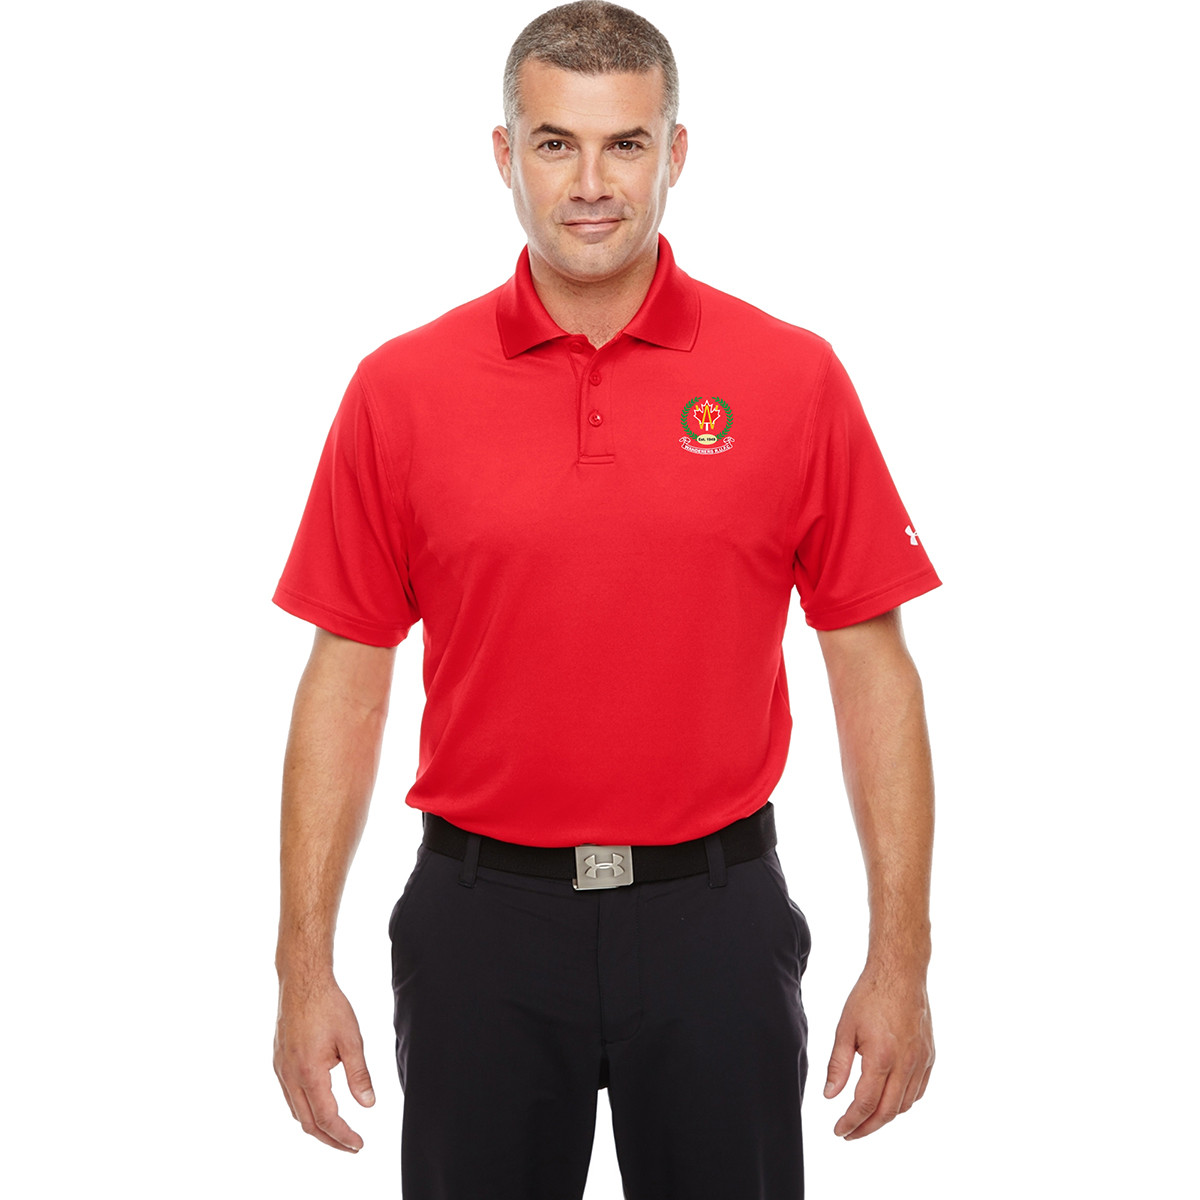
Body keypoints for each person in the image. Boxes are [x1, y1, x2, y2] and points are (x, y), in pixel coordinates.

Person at [271, 3, 940, 1196]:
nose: (590, 183)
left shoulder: (792, 377)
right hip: (479, 923)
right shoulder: (399, 389)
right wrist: (300, 965)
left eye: (625, 143)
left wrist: (903, 959)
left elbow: (873, 672)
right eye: (556, 143)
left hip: (715, 919)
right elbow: (345, 683)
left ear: (675, 152)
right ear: (504, 154)